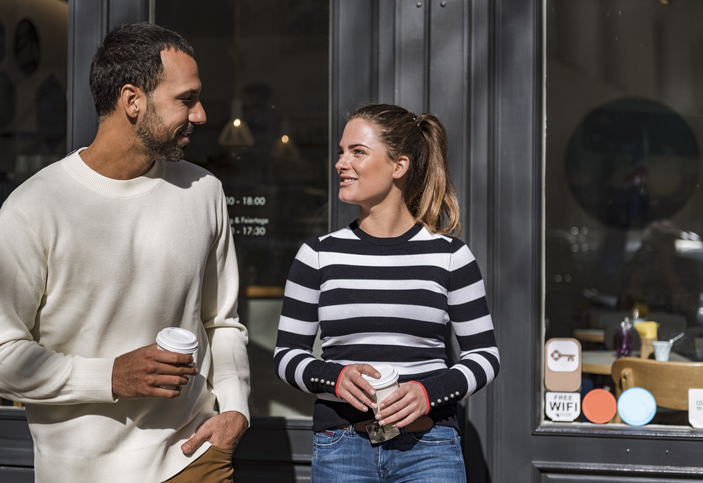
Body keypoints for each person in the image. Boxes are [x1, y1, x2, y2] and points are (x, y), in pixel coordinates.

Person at [0, 23, 250, 482]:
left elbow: (222, 322)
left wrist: (236, 408)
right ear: (132, 100)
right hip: (82, 472)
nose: (200, 115)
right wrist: (110, 377)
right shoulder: (34, 208)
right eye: (186, 99)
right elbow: (4, 354)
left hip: (194, 457)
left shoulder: (204, 191)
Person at [274, 103, 499, 481]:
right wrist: (335, 377)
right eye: (341, 153)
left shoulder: (450, 256)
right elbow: (285, 356)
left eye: (358, 152)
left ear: (399, 165)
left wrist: (429, 393)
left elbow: (485, 357)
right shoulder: (317, 255)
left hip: (430, 448)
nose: (341, 163)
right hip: (341, 445)